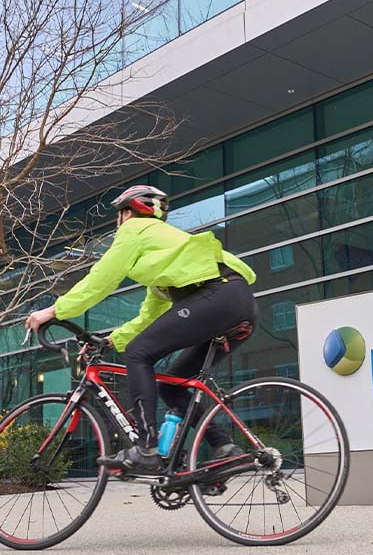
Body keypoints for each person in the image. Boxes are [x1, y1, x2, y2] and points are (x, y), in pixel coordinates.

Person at [26, 184, 257, 473]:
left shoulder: (135, 230)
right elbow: (149, 316)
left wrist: (53, 310)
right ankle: (225, 448)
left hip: (218, 297)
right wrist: (112, 340)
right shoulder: (165, 257)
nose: (118, 222)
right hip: (238, 303)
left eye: (118, 215)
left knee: (139, 353)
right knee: (171, 385)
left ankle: (146, 448)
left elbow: (101, 279)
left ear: (126, 213)